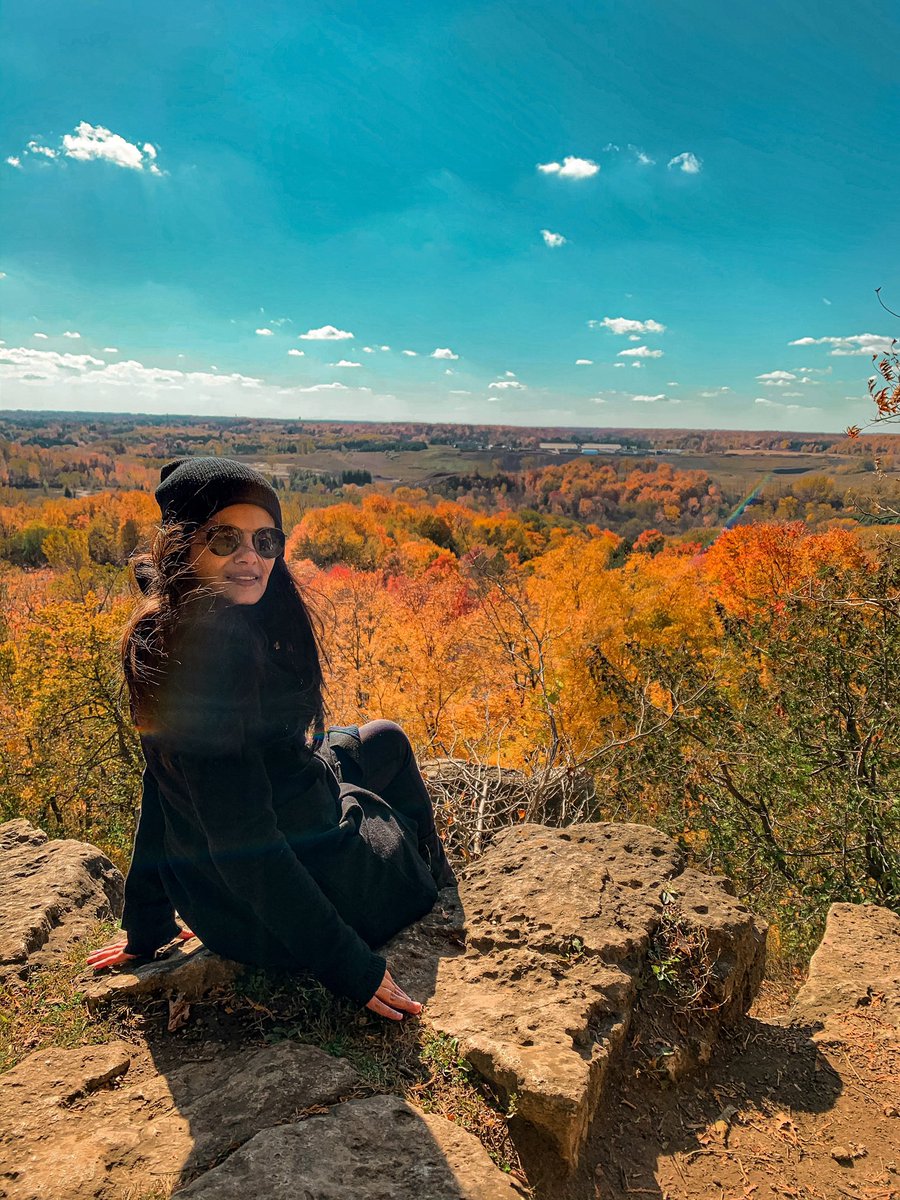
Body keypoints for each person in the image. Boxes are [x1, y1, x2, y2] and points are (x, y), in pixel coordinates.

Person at [88, 457, 455, 1022]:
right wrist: (352, 968)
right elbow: (248, 844)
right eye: (224, 538)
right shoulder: (215, 660)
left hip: (222, 904)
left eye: (265, 540)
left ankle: (422, 860)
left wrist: (148, 923)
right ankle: (431, 875)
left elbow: (162, 781)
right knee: (391, 762)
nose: (250, 557)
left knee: (379, 741)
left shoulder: (165, 631)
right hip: (289, 905)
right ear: (182, 544)